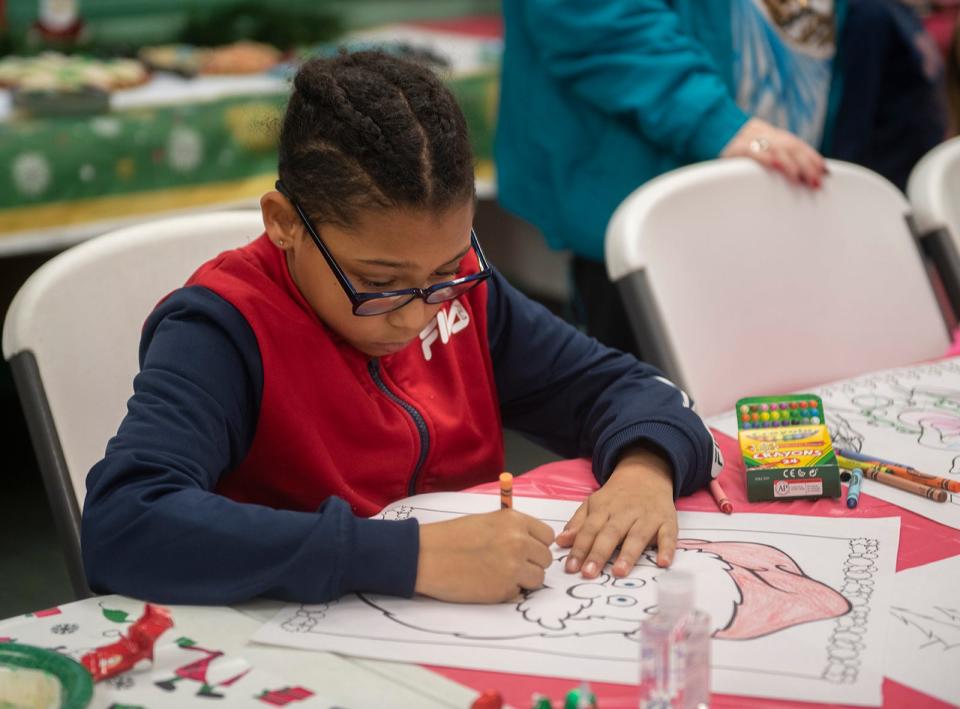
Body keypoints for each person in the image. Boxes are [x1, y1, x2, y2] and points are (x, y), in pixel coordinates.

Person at [81, 51, 720, 606]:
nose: (416, 316)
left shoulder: (464, 295)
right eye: (378, 282)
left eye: (444, 270)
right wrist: (408, 556)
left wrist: (644, 467)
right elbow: (125, 525)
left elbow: (624, 387)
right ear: (284, 222)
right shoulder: (223, 329)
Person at [495, 0, 835, 355]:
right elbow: (596, 21)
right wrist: (715, 122)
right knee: (652, 386)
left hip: (793, 196)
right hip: (659, 188)